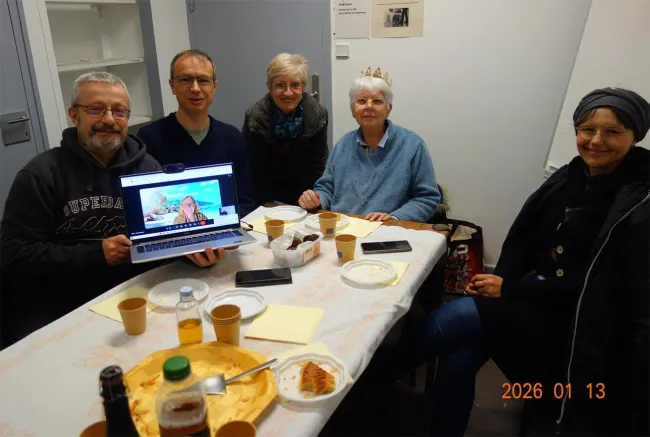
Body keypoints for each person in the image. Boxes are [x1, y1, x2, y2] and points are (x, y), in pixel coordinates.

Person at [422, 88, 649, 436]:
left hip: (578, 326)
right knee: (459, 353)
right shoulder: (570, 177)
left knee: (453, 318)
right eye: (587, 129)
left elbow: (600, 291)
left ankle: (375, 370)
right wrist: (500, 287)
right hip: (534, 299)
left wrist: (510, 290)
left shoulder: (639, 201)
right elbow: (524, 242)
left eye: (612, 131)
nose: (596, 140)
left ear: (635, 136)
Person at [0, 72, 224, 347]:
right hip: (63, 306)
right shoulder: (42, 175)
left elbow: (160, 241)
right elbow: (14, 255)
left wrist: (195, 251)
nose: (109, 120)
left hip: (139, 294)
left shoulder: (147, 167)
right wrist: (97, 254)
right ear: (74, 115)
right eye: (96, 109)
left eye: (119, 111)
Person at [298, 67, 440, 222]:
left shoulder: (412, 145)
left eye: (377, 101)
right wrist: (316, 199)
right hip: (342, 227)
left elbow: (427, 198)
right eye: (362, 101)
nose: (369, 106)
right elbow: (326, 188)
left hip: (386, 230)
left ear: (388, 109)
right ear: (353, 110)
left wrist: (395, 217)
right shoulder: (343, 145)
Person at [137, 49, 255, 217]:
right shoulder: (149, 138)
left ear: (214, 86)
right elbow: (143, 203)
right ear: (172, 86)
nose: (195, 88)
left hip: (226, 228)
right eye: (185, 80)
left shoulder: (232, 137)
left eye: (203, 80)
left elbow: (246, 202)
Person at [242, 53, 328, 206]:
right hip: (267, 199)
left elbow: (318, 165)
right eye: (280, 85)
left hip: (306, 197)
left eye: (295, 85)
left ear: (303, 86)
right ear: (269, 87)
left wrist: (310, 200)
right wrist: (268, 206)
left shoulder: (318, 114)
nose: (288, 92)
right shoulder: (255, 117)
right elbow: (254, 170)